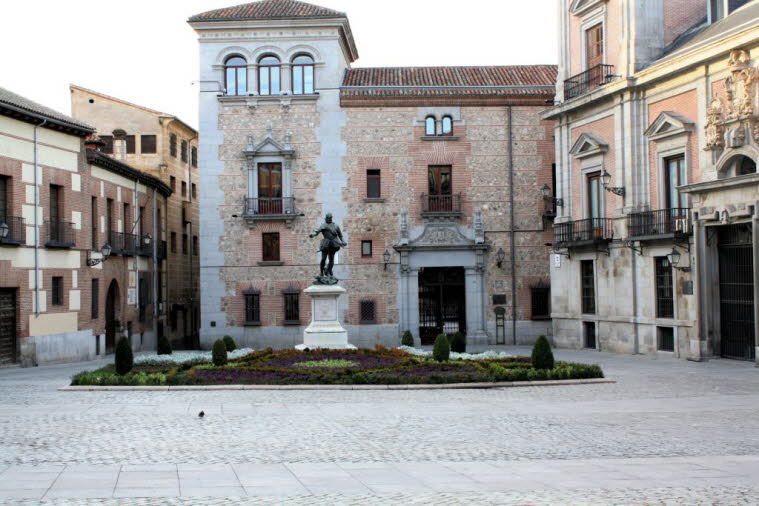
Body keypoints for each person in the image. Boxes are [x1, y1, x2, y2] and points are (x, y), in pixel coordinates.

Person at [309, 213, 347, 280]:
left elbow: (340, 235)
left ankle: (329, 271)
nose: (329, 219)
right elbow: (317, 231)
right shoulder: (323, 225)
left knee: (331, 259)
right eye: (328, 218)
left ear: (331, 218)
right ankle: (321, 273)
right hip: (326, 243)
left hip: (334, 243)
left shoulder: (336, 226)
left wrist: (343, 241)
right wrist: (313, 234)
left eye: (330, 218)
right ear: (326, 218)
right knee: (323, 258)